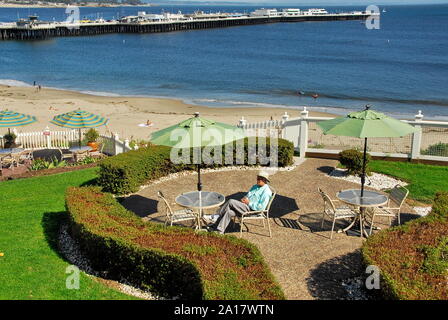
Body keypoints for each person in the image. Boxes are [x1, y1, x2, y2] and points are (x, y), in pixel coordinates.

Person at [207, 171, 273, 234]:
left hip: (252, 210)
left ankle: (215, 217)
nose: (257, 180)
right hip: (244, 206)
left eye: (259, 179)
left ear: (264, 180)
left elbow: (261, 208)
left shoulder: (266, 192)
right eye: (257, 178)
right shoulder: (255, 186)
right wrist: (244, 198)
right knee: (229, 212)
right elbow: (248, 195)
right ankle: (220, 231)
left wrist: (248, 203)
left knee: (231, 201)